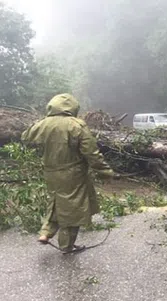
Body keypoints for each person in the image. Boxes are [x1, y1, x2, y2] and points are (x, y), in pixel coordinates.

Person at [21, 94, 115, 254]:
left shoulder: (43, 124)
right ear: (72, 107)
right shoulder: (76, 125)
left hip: (50, 173)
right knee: (73, 208)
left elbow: (25, 137)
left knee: (56, 202)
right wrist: (105, 171)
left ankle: (45, 233)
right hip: (73, 174)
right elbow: (91, 152)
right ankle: (67, 246)